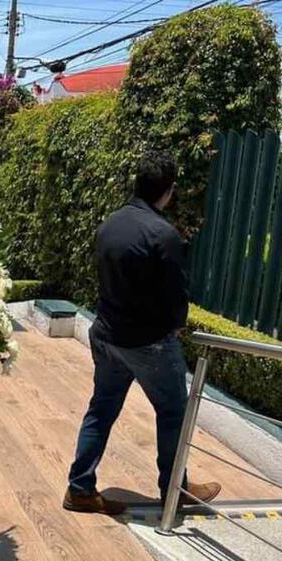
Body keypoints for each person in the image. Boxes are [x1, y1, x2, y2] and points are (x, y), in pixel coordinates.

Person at [64, 151, 221, 516]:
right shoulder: (163, 234)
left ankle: (80, 488)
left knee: (101, 409)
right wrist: (176, 324)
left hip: (106, 334)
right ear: (168, 191)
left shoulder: (110, 224)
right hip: (147, 344)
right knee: (173, 413)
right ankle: (174, 490)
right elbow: (175, 295)